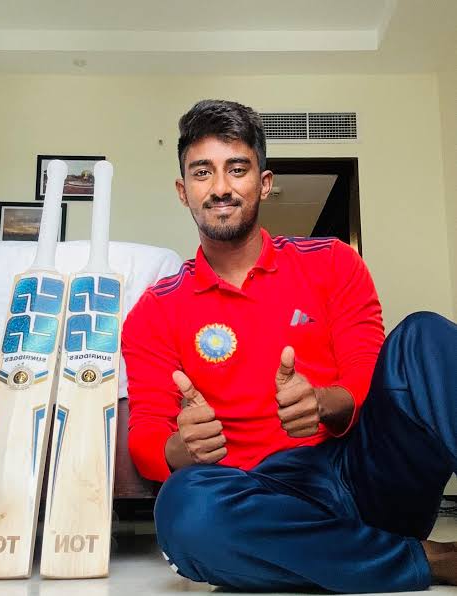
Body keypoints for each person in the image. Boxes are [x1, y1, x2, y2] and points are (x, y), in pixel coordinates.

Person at [121, 99, 457, 592]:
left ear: (264, 182)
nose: (220, 187)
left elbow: (366, 372)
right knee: (183, 508)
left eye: (237, 169)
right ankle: (428, 559)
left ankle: (352, 557)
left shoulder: (332, 262)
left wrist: (325, 402)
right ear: (182, 190)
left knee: (423, 336)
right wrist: (180, 448)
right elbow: (147, 432)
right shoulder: (154, 311)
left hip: (364, 474)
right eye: (202, 172)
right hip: (263, 502)